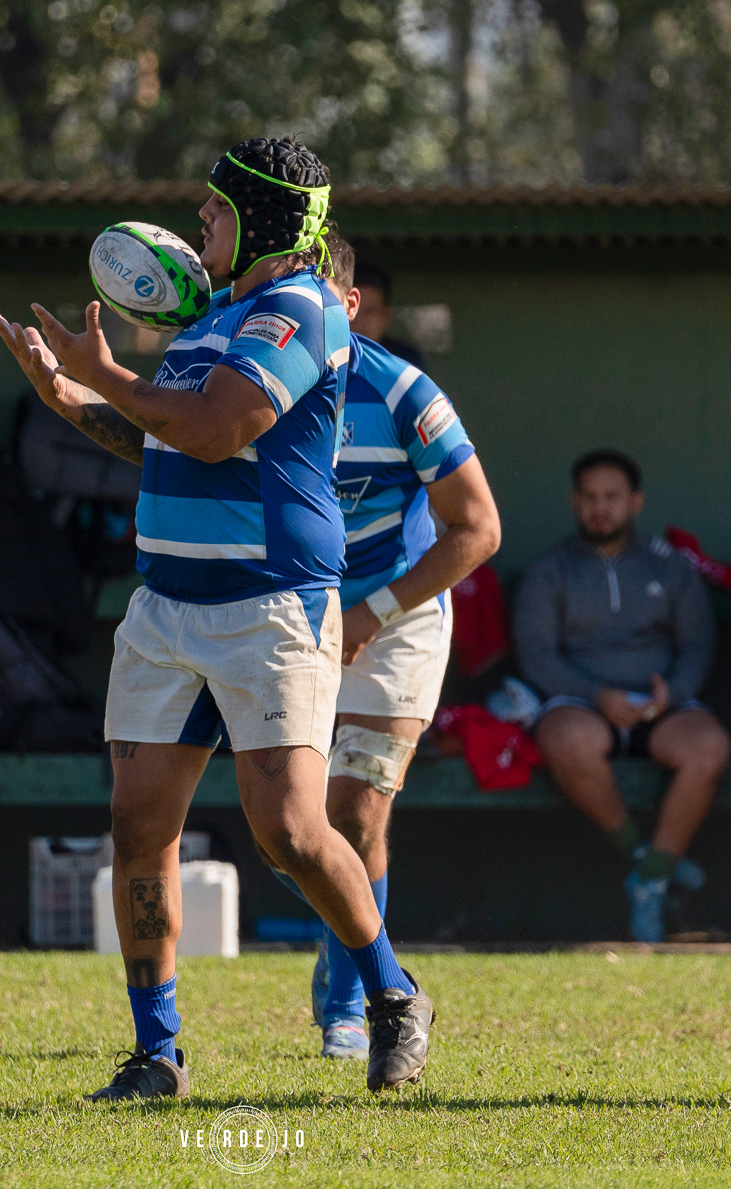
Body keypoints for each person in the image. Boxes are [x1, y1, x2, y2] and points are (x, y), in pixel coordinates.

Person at [0, 137, 432, 1100]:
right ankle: (157, 1053)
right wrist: (66, 392)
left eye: (217, 213)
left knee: (289, 831)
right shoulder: (215, 318)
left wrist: (106, 373)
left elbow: (215, 428)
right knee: (138, 826)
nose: (200, 227)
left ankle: (392, 994)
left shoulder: (298, 310)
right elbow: (156, 433)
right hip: (166, 608)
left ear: (267, 221)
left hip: (268, 607)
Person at [283, 234, 501, 1059]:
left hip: (395, 616)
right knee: (292, 826)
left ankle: (352, 1000)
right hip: (292, 617)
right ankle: (346, 938)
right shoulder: (252, 387)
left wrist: (371, 610)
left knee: (355, 810)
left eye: (308, 300)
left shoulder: (405, 390)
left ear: (348, 306)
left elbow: (478, 531)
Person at [512, 449, 728, 943]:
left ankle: (651, 878)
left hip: (661, 705)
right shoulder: (551, 570)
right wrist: (599, 694)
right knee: (567, 739)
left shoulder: (669, 566)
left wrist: (673, 692)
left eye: (611, 497)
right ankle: (644, 858)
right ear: (574, 502)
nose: (599, 507)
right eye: (589, 497)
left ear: (635, 502)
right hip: (584, 703)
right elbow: (538, 656)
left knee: (708, 746)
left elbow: (698, 645)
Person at [349, 261, 426, 368]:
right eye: (352, 310)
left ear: (386, 314)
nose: (359, 320)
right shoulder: (328, 358)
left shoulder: (405, 361)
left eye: (371, 312)